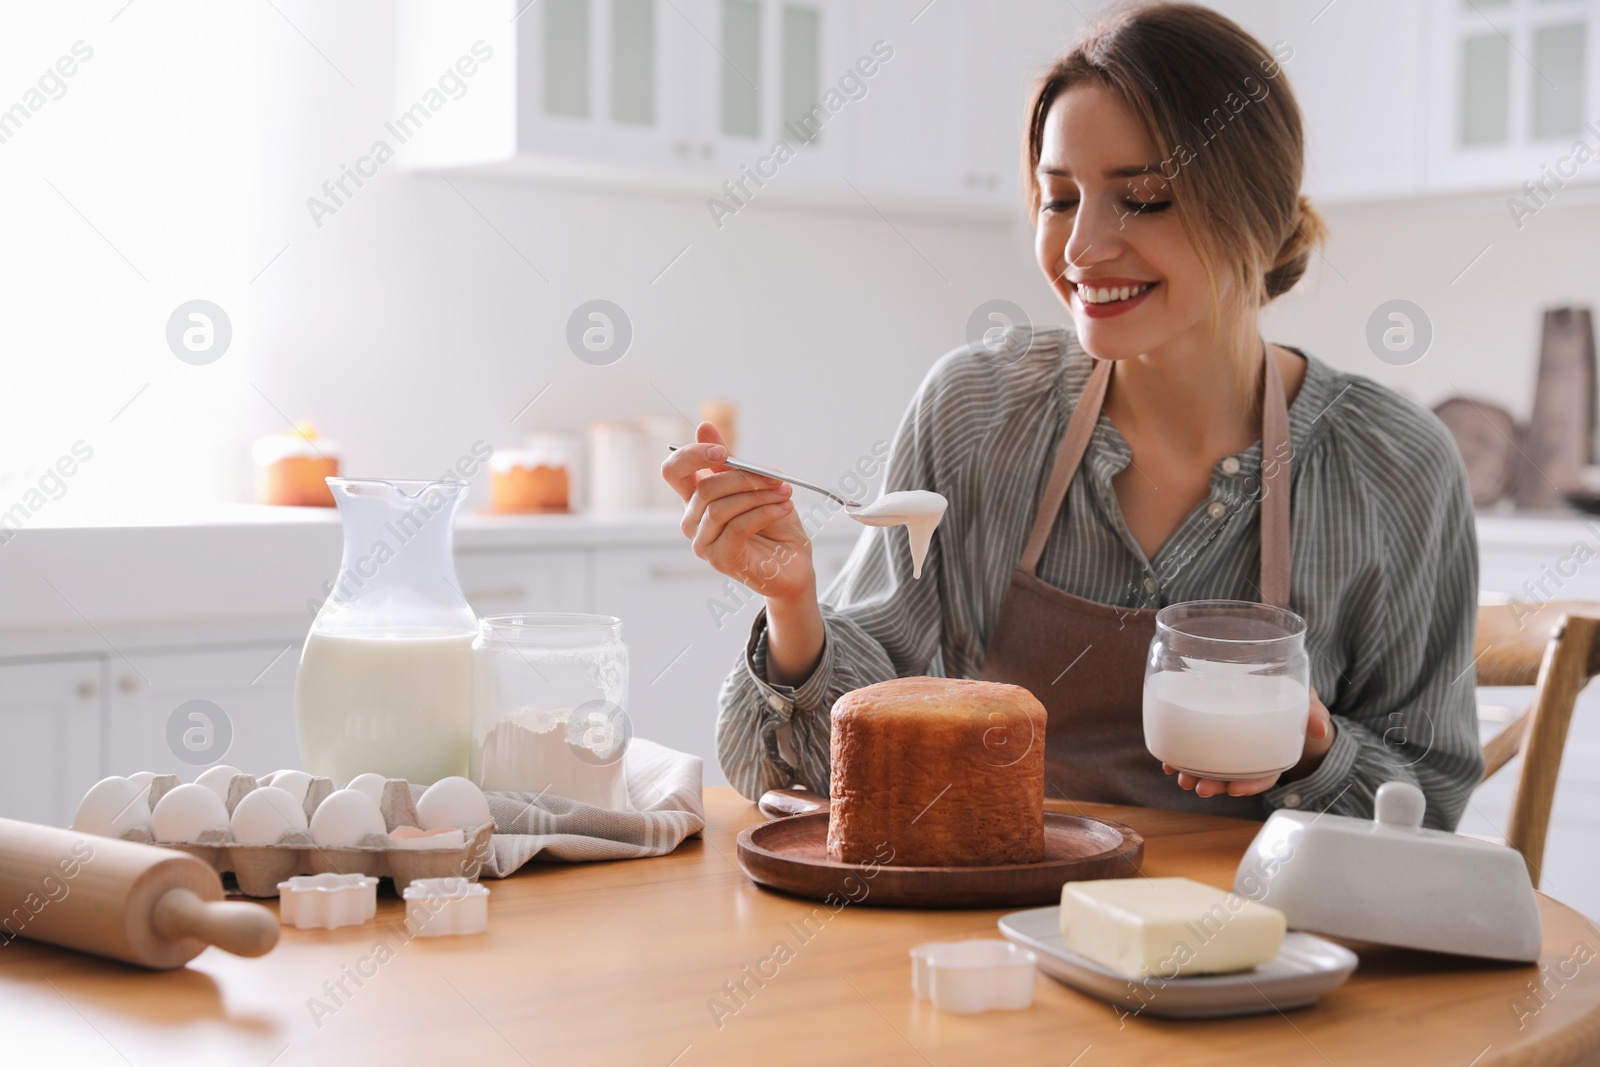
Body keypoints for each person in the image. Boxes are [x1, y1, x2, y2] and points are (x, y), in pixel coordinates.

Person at [660, 2, 1483, 829]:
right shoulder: (976, 413)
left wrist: (1314, 748)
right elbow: (826, 772)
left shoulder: (1395, 465)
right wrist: (796, 605)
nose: (1084, 246)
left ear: (1260, 213)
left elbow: (1430, 802)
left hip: (1263, 940)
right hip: (992, 918)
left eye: (1146, 198)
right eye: (1059, 200)